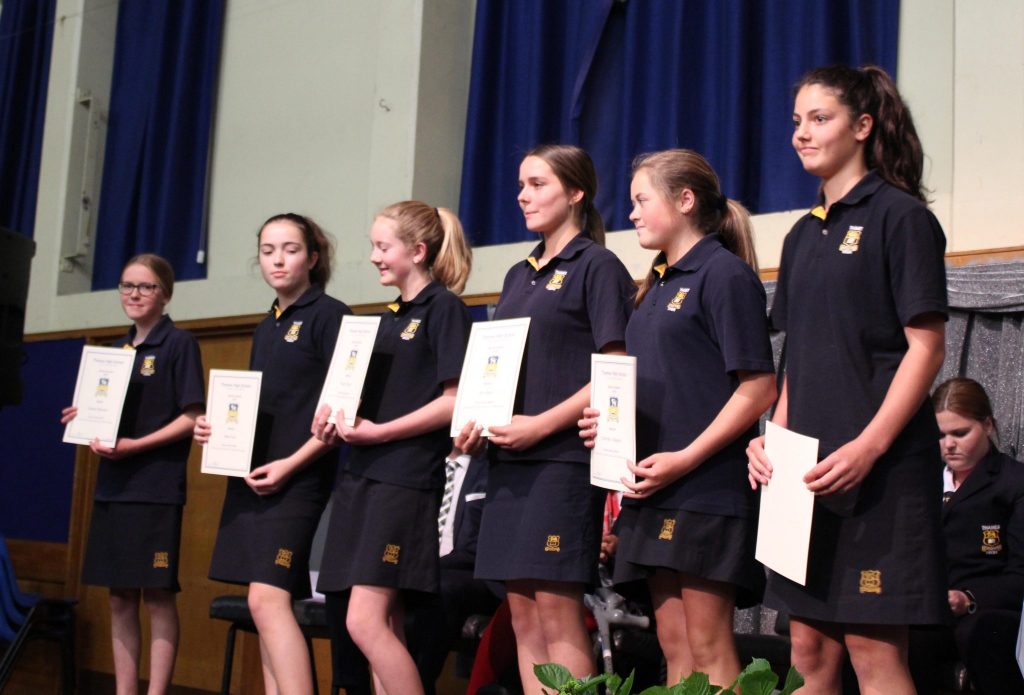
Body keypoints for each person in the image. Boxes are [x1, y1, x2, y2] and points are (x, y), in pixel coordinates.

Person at [746, 64, 949, 695]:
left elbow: (927, 348)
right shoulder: (802, 234)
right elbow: (799, 358)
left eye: (819, 118)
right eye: (796, 121)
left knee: (873, 649)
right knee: (806, 648)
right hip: (805, 475)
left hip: (880, 474)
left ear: (862, 126)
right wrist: (772, 440)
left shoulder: (900, 217)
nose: (802, 134)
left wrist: (869, 447)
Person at [580, 149, 776, 686]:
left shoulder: (724, 275)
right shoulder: (654, 287)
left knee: (708, 643)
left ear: (685, 200)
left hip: (706, 489)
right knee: (673, 644)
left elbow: (759, 387)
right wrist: (610, 424)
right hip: (652, 488)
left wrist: (685, 458)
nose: (632, 214)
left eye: (642, 200)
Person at [462, 144, 636, 694]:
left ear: (576, 192)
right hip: (508, 464)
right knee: (522, 616)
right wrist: (474, 422)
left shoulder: (597, 266)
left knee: (558, 615)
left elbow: (613, 370)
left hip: (560, 462)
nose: (523, 195)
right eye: (521, 184)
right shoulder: (519, 274)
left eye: (537, 184)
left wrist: (541, 425)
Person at [311, 201, 473, 695]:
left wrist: (381, 432)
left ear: (418, 251)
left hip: (403, 481)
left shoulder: (444, 308)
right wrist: (331, 418)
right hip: (361, 476)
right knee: (383, 621)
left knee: (364, 621)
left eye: (383, 247)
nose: (374, 257)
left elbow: (455, 401)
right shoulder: (384, 320)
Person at [196, 213, 351, 695]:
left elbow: (341, 413)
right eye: (268, 251)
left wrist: (291, 464)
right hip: (253, 482)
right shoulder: (268, 325)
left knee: (268, 602)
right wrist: (216, 428)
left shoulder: (331, 315)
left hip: (298, 481)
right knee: (261, 606)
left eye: (290, 249)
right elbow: (259, 408)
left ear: (313, 258)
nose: (277, 260)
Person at [61, 253, 204, 695]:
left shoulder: (178, 343)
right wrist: (83, 419)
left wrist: (136, 446)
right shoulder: (115, 351)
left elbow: (192, 417)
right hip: (113, 486)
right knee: (119, 596)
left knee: (157, 594)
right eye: (127, 285)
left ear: (165, 294)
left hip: (155, 488)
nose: (134, 294)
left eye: (145, 286)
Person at [910, 377, 1024, 695]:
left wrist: (969, 598)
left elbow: (1020, 574)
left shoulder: (1014, 483)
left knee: (982, 633)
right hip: (927, 610)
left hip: (986, 612)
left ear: (988, 425)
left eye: (960, 433)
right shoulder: (921, 481)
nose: (949, 445)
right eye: (940, 435)